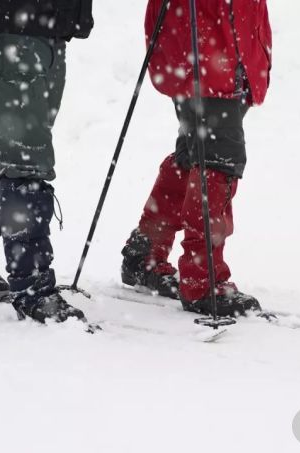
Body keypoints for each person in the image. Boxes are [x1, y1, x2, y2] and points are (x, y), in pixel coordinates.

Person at [121, 0, 272, 317]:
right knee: (216, 162)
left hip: (223, 47)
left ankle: (146, 252)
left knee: (193, 156)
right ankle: (203, 281)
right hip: (205, 44)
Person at [0, 0, 94, 324]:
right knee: (25, 160)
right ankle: (32, 289)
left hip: (47, 31)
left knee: (16, 152)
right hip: (14, 33)